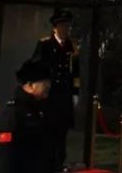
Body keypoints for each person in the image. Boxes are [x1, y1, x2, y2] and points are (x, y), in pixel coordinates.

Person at [31, 9, 79, 172]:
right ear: (55, 27)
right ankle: (47, 163)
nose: (65, 29)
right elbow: (36, 68)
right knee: (47, 129)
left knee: (62, 130)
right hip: (49, 94)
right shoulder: (45, 44)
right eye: (62, 26)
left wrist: (75, 92)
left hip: (64, 94)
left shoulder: (72, 46)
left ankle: (59, 163)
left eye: (67, 26)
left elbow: (76, 72)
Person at [0, 60, 52, 173]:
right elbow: (4, 156)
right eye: (44, 83)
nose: (48, 86)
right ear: (30, 85)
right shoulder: (12, 113)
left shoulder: (38, 109)